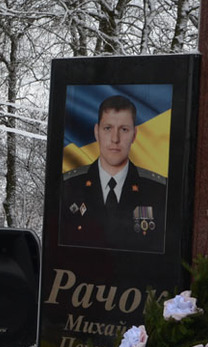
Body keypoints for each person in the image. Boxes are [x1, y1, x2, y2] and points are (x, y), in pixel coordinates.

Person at [60, 94, 167, 252]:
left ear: (134, 134)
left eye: (124, 129)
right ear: (97, 132)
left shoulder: (158, 191)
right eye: (108, 128)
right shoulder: (69, 186)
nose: (115, 139)